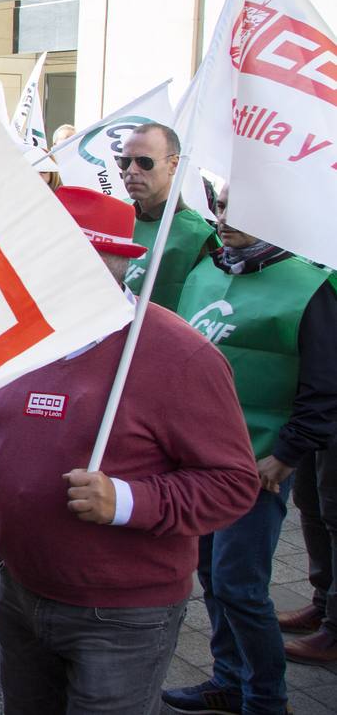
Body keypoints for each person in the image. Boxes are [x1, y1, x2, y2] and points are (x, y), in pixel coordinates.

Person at [0, 186, 260, 715]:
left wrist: (124, 500)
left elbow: (233, 485)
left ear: (117, 263)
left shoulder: (179, 355)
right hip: (20, 591)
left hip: (120, 615)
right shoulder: (25, 335)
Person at [163, 186, 337, 713]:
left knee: (241, 585)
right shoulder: (207, 270)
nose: (222, 217)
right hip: (199, 461)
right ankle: (228, 678)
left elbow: (325, 387)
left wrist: (285, 455)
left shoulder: (312, 286)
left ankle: (265, 699)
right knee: (214, 577)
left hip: (257, 467)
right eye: (219, 207)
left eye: (240, 208)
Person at [119, 123, 216, 311]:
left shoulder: (197, 237)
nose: (131, 170)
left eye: (144, 162)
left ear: (173, 165)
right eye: (124, 162)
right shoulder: (117, 214)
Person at [283, 433, 337, 664]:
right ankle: (324, 603)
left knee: (335, 511)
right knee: (309, 499)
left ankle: (335, 629)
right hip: (319, 409)